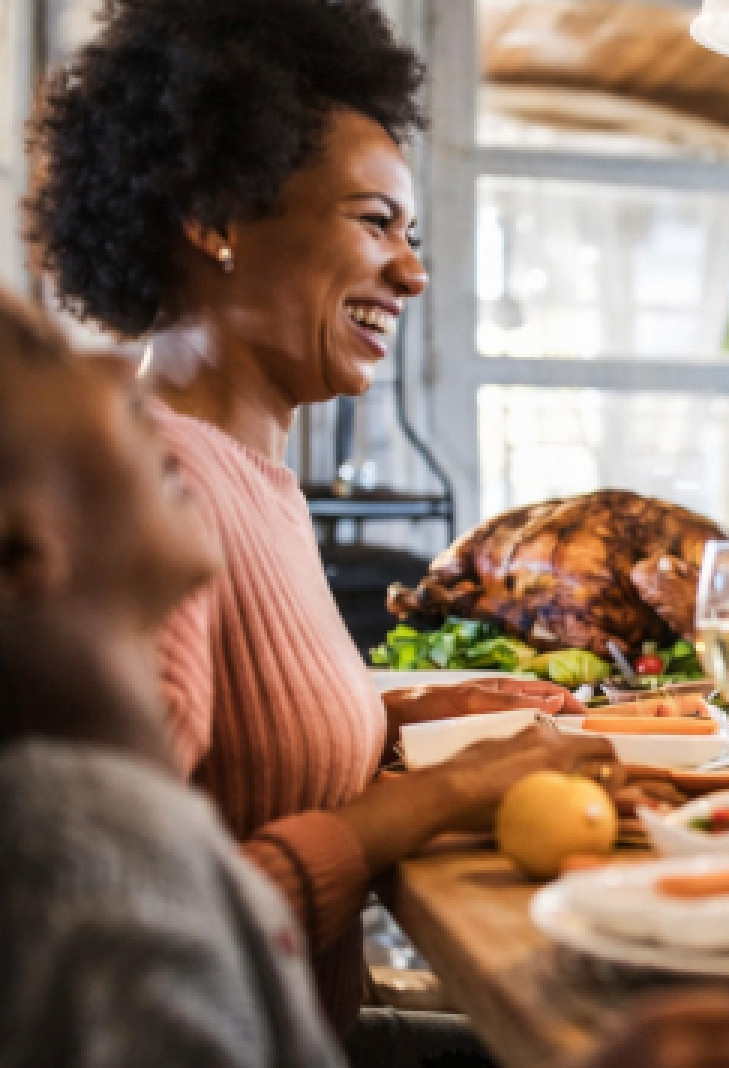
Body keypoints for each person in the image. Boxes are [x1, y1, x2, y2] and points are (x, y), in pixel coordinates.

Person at [0, 289, 729, 1068]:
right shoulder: (80, 874)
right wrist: (443, 795)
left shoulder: (101, 814)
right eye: (42, 353)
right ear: (21, 556)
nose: (110, 366)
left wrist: (415, 715)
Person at [24, 0, 612, 1035]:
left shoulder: (256, 480)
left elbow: (245, 758)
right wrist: (444, 792)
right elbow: (147, 934)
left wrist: (410, 712)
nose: (414, 272)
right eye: (374, 222)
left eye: (412, 234)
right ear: (215, 220)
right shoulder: (155, 498)